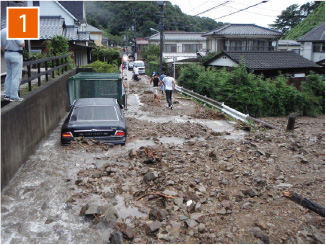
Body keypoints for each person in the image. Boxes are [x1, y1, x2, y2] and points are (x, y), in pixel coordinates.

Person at [1, 28, 25, 102]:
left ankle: (7, 95)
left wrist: (6, 52)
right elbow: (22, 44)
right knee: (16, 76)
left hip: (7, 54)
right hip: (16, 54)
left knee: (9, 75)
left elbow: (1, 47)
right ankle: (14, 96)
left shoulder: (2, 31)